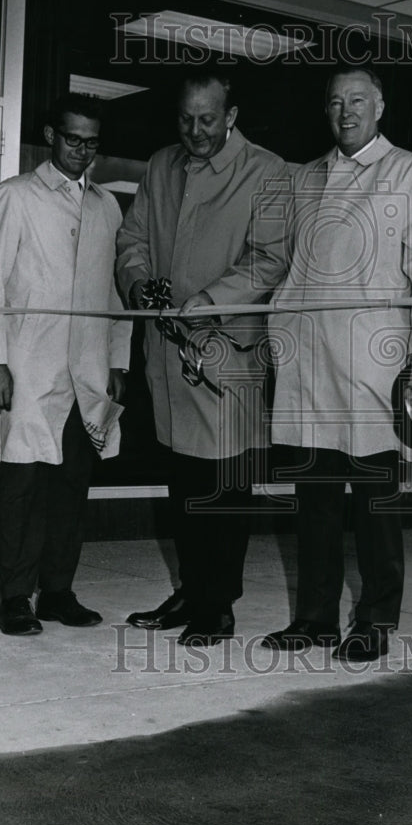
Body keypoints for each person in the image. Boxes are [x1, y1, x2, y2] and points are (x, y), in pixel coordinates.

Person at [262, 65, 412, 661]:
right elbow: (286, 266)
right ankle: (315, 618)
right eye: (335, 102)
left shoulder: (410, 173)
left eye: (357, 101)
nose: (345, 112)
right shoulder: (306, 178)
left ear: (379, 108)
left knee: (376, 505)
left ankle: (375, 620)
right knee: (315, 503)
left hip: (373, 367)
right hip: (307, 365)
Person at [116, 68, 289, 645]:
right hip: (168, 358)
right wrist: (139, 283)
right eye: (186, 119)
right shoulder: (159, 166)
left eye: (208, 120)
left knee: (223, 487)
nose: (195, 131)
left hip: (227, 358)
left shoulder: (266, 171)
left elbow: (269, 259)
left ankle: (218, 604)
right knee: (182, 480)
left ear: (231, 116)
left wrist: (209, 301)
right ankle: (190, 590)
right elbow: (132, 239)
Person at [0, 93, 132, 635]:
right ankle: (15, 597)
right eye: (72, 139)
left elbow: (115, 292)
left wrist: (117, 359)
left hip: (88, 369)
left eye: (91, 142)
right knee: (22, 482)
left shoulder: (107, 207)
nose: (82, 150)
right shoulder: (13, 197)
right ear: (50, 136)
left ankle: (58, 591)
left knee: (72, 484)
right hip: (30, 365)